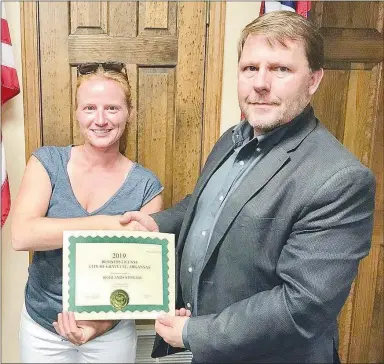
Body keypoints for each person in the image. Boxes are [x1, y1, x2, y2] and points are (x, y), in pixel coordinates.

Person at [119, 11, 376, 364]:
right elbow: (210, 203)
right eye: (250, 68)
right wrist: (159, 224)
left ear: (314, 79)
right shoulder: (233, 138)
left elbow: (302, 304)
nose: (260, 83)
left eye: (281, 69)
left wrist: (195, 333)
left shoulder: (340, 179)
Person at [11, 62, 164, 363]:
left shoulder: (146, 186)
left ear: (129, 113)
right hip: (42, 327)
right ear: (77, 113)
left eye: (112, 108)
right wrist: (107, 224)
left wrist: (98, 326)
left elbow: (140, 279)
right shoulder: (47, 162)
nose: (101, 120)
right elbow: (22, 235)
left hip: (109, 333)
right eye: (90, 108)